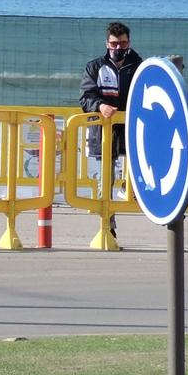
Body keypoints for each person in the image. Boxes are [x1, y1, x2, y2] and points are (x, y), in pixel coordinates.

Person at [80, 22, 142, 239]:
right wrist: (100, 105)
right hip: (103, 133)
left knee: (139, 170)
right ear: (107, 43)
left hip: (133, 131)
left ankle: (129, 189)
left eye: (123, 43)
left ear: (129, 43)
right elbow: (86, 97)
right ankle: (107, 226)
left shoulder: (139, 66)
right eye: (114, 43)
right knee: (104, 180)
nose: (118, 48)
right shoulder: (94, 67)